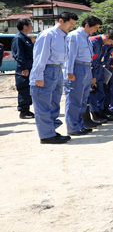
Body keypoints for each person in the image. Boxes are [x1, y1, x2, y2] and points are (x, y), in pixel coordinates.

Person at [29, 11, 78, 144]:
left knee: (54, 103)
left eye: (74, 24)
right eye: (70, 23)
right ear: (61, 21)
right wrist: (38, 76)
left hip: (57, 69)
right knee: (43, 104)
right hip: (46, 70)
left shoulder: (64, 36)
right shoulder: (48, 34)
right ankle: (46, 135)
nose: (71, 27)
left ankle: (51, 130)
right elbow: (40, 56)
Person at [64, 16, 103, 136]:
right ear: (87, 25)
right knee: (74, 99)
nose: (95, 31)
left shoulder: (86, 37)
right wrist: (69, 72)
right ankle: (72, 127)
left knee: (83, 99)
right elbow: (70, 56)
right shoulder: (74, 35)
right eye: (95, 27)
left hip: (86, 67)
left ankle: (80, 125)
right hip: (77, 67)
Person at [88, 29, 113, 124]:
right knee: (93, 93)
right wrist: (93, 76)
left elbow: (102, 60)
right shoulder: (94, 42)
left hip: (100, 70)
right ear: (107, 37)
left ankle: (101, 111)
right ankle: (95, 113)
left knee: (101, 92)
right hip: (93, 71)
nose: (110, 44)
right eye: (111, 41)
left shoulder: (104, 44)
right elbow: (93, 61)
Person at [11, 18, 35, 119]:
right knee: (24, 89)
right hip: (24, 69)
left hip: (30, 67)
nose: (32, 26)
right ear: (25, 27)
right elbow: (19, 55)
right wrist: (23, 68)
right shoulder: (18, 38)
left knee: (29, 89)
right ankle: (23, 111)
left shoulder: (26, 37)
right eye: (30, 25)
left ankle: (27, 110)